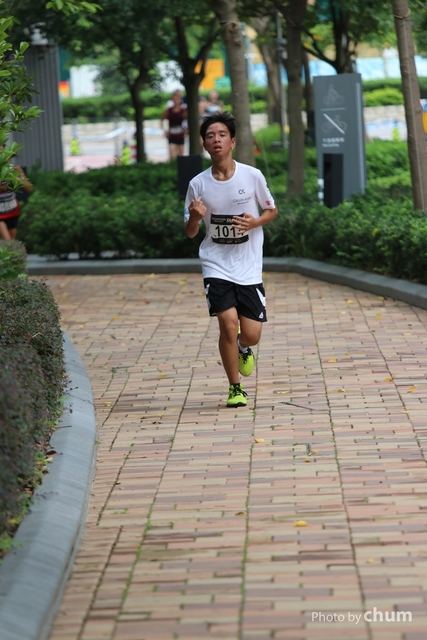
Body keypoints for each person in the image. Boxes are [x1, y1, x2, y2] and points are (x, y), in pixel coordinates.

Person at [184, 111, 278, 408]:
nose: (216, 140)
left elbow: (271, 210)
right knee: (227, 324)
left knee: (251, 335)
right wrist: (195, 218)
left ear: (232, 142)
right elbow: (190, 232)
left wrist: (254, 222)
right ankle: (235, 387)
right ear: (204, 144)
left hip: (248, 265)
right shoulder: (197, 184)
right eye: (210, 136)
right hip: (216, 263)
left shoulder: (252, 176)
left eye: (222, 135)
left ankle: (242, 347)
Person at [0, 154, 33, 240]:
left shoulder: (14, 168)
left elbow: (29, 188)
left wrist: (18, 177)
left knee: (12, 242)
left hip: (12, 210)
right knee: (8, 241)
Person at [161, 91, 188, 159]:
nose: (176, 101)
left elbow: (188, 120)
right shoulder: (168, 111)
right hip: (171, 135)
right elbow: (161, 120)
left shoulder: (183, 111)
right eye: (174, 99)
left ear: (180, 100)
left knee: (181, 156)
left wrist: (187, 130)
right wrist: (165, 131)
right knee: (172, 156)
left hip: (180, 135)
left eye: (177, 99)